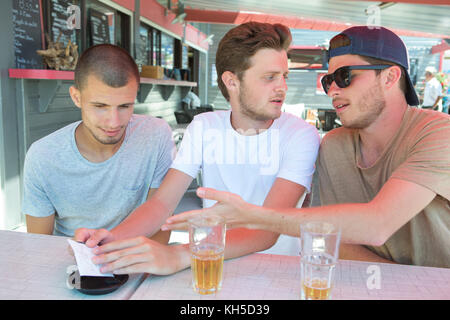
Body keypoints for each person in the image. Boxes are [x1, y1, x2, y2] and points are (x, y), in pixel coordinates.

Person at [165, 26, 450, 268]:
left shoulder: (437, 133)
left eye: (344, 77)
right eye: (329, 81)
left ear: (389, 77)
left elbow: (377, 224)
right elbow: (325, 238)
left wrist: (252, 216)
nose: (333, 90)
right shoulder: (333, 146)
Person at [75, 22, 320, 275]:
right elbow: (161, 204)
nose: (282, 87)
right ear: (231, 81)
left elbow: (266, 231)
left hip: (277, 274)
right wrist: (109, 239)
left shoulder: (301, 135)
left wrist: (177, 254)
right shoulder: (204, 126)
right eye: (270, 77)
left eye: (284, 76)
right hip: (210, 267)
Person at [23, 44, 174, 245]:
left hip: (138, 262)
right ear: (76, 97)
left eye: (124, 106)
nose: (114, 122)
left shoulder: (156, 135)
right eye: (100, 106)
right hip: (73, 263)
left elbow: (161, 228)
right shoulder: (43, 156)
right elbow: (38, 245)